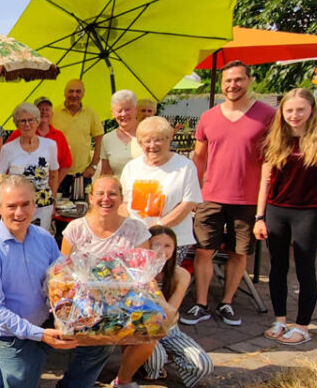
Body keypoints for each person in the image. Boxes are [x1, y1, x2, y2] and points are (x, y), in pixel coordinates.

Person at [0, 176, 110, 388]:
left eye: (25, 204)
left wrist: (69, 313)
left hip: (48, 322)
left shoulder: (44, 238)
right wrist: (41, 335)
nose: (19, 212)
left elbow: (59, 282)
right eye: (11, 206)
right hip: (13, 333)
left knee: (104, 335)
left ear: (35, 204)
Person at [187, 61, 276, 328]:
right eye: (227, 81)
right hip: (211, 196)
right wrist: (194, 194)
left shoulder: (267, 116)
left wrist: (262, 206)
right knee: (204, 251)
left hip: (247, 198)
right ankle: (201, 303)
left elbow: (270, 161)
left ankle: (226, 303)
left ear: (249, 80)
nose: (232, 85)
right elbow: (199, 158)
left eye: (238, 79)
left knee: (239, 253)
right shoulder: (209, 117)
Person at [254, 89, 317, 346]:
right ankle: (280, 319)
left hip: (308, 212)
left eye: (300, 110)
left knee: (306, 268)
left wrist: (309, 189)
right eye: (289, 110)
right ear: (281, 112)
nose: (294, 115)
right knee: (277, 269)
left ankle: (303, 326)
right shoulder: (275, 138)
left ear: (312, 110)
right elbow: (265, 181)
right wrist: (260, 216)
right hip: (276, 210)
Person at [60, 176, 157, 388]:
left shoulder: (136, 229)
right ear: (91, 198)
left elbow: (143, 273)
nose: (106, 199)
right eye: (100, 194)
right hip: (86, 301)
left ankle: (124, 380)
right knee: (98, 330)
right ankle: (76, 385)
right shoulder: (75, 229)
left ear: (122, 198)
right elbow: (63, 274)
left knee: (151, 331)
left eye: (113, 194)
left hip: (125, 299)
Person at [120, 117, 202, 261]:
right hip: (137, 240)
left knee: (166, 281)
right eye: (147, 141)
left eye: (158, 140)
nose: (152, 145)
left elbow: (188, 204)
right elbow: (124, 203)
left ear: (169, 139)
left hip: (171, 240)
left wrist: (157, 228)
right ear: (140, 143)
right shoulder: (131, 167)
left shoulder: (185, 166)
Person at [142, 226, 213, 388]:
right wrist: (148, 278)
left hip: (168, 327)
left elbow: (171, 312)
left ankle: (171, 355)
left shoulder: (180, 274)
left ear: (174, 249)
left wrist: (153, 287)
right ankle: (151, 364)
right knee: (156, 360)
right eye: (156, 244)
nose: (162, 250)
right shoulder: (138, 272)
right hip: (143, 327)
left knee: (203, 365)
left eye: (168, 246)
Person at [0, 102, 59, 230]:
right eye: (22, 121)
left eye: (30, 120)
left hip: (43, 204)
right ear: (17, 124)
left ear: (37, 121)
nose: (27, 124)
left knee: (40, 240)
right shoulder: (8, 149)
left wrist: (54, 200)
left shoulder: (50, 145)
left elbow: (54, 175)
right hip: (17, 206)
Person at [51, 79, 104, 196]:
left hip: (82, 174)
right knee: (58, 208)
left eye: (78, 92)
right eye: (71, 91)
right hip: (59, 174)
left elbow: (99, 140)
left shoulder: (90, 113)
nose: (74, 95)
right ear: (65, 93)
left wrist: (94, 166)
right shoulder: (54, 113)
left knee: (82, 209)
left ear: (83, 94)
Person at [6, 97, 72, 178]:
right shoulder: (18, 133)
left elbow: (66, 164)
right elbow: (6, 159)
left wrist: (55, 185)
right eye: (40, 109)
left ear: (52, 113)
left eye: (47, 109)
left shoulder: (59, 136)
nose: (44, 112)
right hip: (22, 184)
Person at [99, 90, 142, 177]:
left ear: (136, 109)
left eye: (127, 109)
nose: (123, 114)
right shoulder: (107, 139)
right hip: (118, 189)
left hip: (145, 188)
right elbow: (105, 173)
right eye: (119, 110)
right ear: (113, 113)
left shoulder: (149, 134)